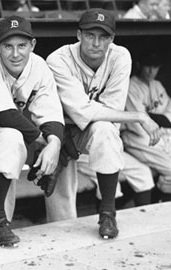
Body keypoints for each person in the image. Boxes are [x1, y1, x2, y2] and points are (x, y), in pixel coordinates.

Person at [45, 9, 160, 239]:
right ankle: (57, 240)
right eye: (90, 35)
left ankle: (107, 213)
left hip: (90, 132)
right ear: (79, 35)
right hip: (58, 131)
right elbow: (81, 110)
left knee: (106, 130)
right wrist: (138, 115)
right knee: (61, 208)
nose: (96, 43)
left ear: (111, 39)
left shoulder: (120, 57)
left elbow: (111, 111)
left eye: (103, 37)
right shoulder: (58, 59)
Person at [0, 16, 64, 246]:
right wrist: (42, 142)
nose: (15, 54)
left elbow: (51, 111)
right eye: (8, 46)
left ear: (32, 45)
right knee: (13, 139)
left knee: (14, 142)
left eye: (22, 46)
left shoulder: (38, 65)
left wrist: (54, 145)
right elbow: (3, 113)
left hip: (8, 133)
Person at [122, 51, 171, 202]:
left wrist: (157, 119)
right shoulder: (131, 86)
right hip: (137, 138)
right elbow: (140, 123)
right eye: (148, 66)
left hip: (161, 135)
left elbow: (168, 114)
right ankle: (160, 202)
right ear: (139, 65)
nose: (151, 71)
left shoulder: (157, 85)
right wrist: (158, 118)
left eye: (155, 67)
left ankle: (159, 200)